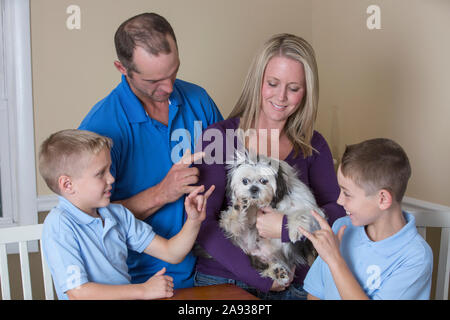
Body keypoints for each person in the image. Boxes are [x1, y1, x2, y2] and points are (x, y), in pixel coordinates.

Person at [192, 33, 345, 299]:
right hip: (227, 277)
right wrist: (257, 277)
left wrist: (287, 227)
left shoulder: (312, 145)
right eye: (272, 83)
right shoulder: (219, 138)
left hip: (294, 279)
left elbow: (338, 209)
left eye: (294, 88)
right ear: (257, 82)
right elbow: (202, 224)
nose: (281, 97)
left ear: (306, 92)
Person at [78, 13, 223, 288]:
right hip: (141, 282)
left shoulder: (199, 100)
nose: (169, 88)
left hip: (211, 270)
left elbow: (228, 174)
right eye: (154, 81)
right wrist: (162, 193)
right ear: (122, 68)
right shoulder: (101, 127)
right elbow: (88, 220)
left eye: (173, 72)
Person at [39, 129, 214, 300]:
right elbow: (78, 293)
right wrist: (144, 290)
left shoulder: (117, 214)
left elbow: (172, 252)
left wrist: (194, 220)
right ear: (67, 184)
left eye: (110, 170)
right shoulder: (60, 224)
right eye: (101, 173)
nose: (111, 179)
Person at [302, 138, 433, 300]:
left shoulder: (416, 257)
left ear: (383, 199)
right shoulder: (341, 227)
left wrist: (334, 259)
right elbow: (315, 293)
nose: (339, 201)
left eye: (347, 194)